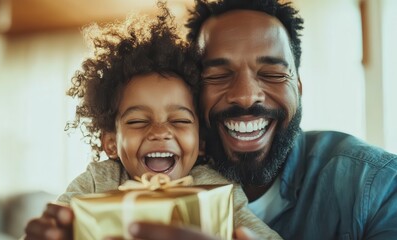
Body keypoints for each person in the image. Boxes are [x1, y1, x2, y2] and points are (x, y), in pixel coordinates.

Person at [122, 0, 397, 239]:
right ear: (192, 94)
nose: (245, 96)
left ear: (298, 88)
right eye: (218, 75)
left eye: (272, 74)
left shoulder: (376, 186)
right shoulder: (144, 176)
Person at [23, 3, 282, 240]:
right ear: (112, 143)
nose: (160, 132)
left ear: (201, 142)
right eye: (137, 121)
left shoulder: (217, 188)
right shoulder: (95, 182)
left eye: (179, 120)